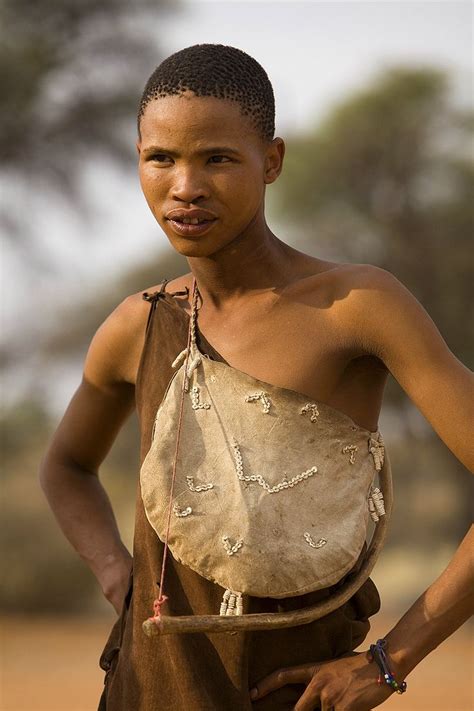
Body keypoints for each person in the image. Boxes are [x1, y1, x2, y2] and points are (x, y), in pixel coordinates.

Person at [39, 44, 473, 711]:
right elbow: (66, 464)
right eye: (162, 159)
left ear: (271, 162)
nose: (186, 186)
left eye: (216, 158)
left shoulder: (356, 306)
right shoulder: (141, 324)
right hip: (144, 692)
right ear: (139, 161)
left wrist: (390, 661)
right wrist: (115, 573)